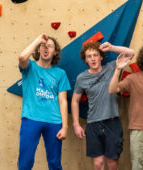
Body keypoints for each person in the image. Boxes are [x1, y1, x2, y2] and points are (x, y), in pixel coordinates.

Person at [71, 42, 134, 170]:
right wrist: (76, 124)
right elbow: (75, 101)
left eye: (95, 55)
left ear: (101, 57)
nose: (93, 58)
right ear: (85, 60)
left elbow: (131, 53)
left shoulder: (112, 67)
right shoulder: (81, 78)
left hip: (112, 122)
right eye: (89, 56)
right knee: (98, 163)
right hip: (93, 124)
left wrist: (111, 48)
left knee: (112, 163)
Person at [17, 33, 70, 170]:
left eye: (50, 46)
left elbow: (63, 101)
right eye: (43, 46)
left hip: (54, 122)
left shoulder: (60, 73)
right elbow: (22, 57)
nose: (46, 48)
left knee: (55, 163)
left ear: (55, 52)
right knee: (25, 163)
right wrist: (38, 41)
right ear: (39, 49)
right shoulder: (30, 68)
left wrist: (64, 127)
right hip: (31, 119)